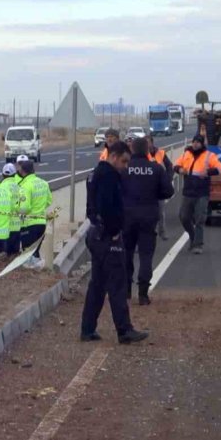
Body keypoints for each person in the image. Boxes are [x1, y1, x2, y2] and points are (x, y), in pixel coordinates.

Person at [81, 141, 149, 344]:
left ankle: (87, 329)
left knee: (98, 284)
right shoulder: (109, 176)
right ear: (113, 156)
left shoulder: (94, 174)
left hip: (95, 234)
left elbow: (91, 208)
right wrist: (113, 232)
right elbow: (107, 207)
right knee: (117, 283)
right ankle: (124, 330)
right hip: (107, 237)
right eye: (124, 161)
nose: (125, 166)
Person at [121, 137, 174, 305]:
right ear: (147, 150)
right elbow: (168, 191)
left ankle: (126, 291)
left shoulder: (124, 169)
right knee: (145, 255)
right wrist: (154, 195)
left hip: (126, 217)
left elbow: (115, 190)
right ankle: (143, 294)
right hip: (148, 217)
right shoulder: (156, 169)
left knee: (126, 254)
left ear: (132, 150)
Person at [175, 134, 221, 254]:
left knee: (199, 218)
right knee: (184, 217)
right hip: (188, 192)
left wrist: (208, 172)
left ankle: (198, 245)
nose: (195, 144)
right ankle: (193, 236)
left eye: (198, 142)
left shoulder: (209, 155)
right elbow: (176, 165)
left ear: (202, 144)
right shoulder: (186, 154)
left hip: (202, 193)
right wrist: (180, 169)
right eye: (194, 142)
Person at [18, 160, 52, 268]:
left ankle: (35, 275)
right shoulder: (43, 183)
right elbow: (49, 201)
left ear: (23, 172)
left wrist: (15, 209)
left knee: (28, 254)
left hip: (29, 224)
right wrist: (39, 208)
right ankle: (39, 271)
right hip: (41, 223)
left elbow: (25, 208)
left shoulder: (25, 186)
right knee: (35, 252)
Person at [147, 135, 175, 240]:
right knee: (148, 213)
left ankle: (162, 232)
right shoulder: (142, 155)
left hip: (159, 187)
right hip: (147, 188)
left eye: (148, 142)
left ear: (152, 143)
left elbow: (169, 166)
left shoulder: (161, 153)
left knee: (160, 212)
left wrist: (167, 179)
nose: (147, 145)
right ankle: (150, 233)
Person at [0, 163, 23, 255]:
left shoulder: (0, 188)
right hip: (17, 226)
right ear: (15, 174)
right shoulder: (20, 187)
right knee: (15, 254)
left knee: (5, 257)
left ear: (3, 175)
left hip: (5, 227)